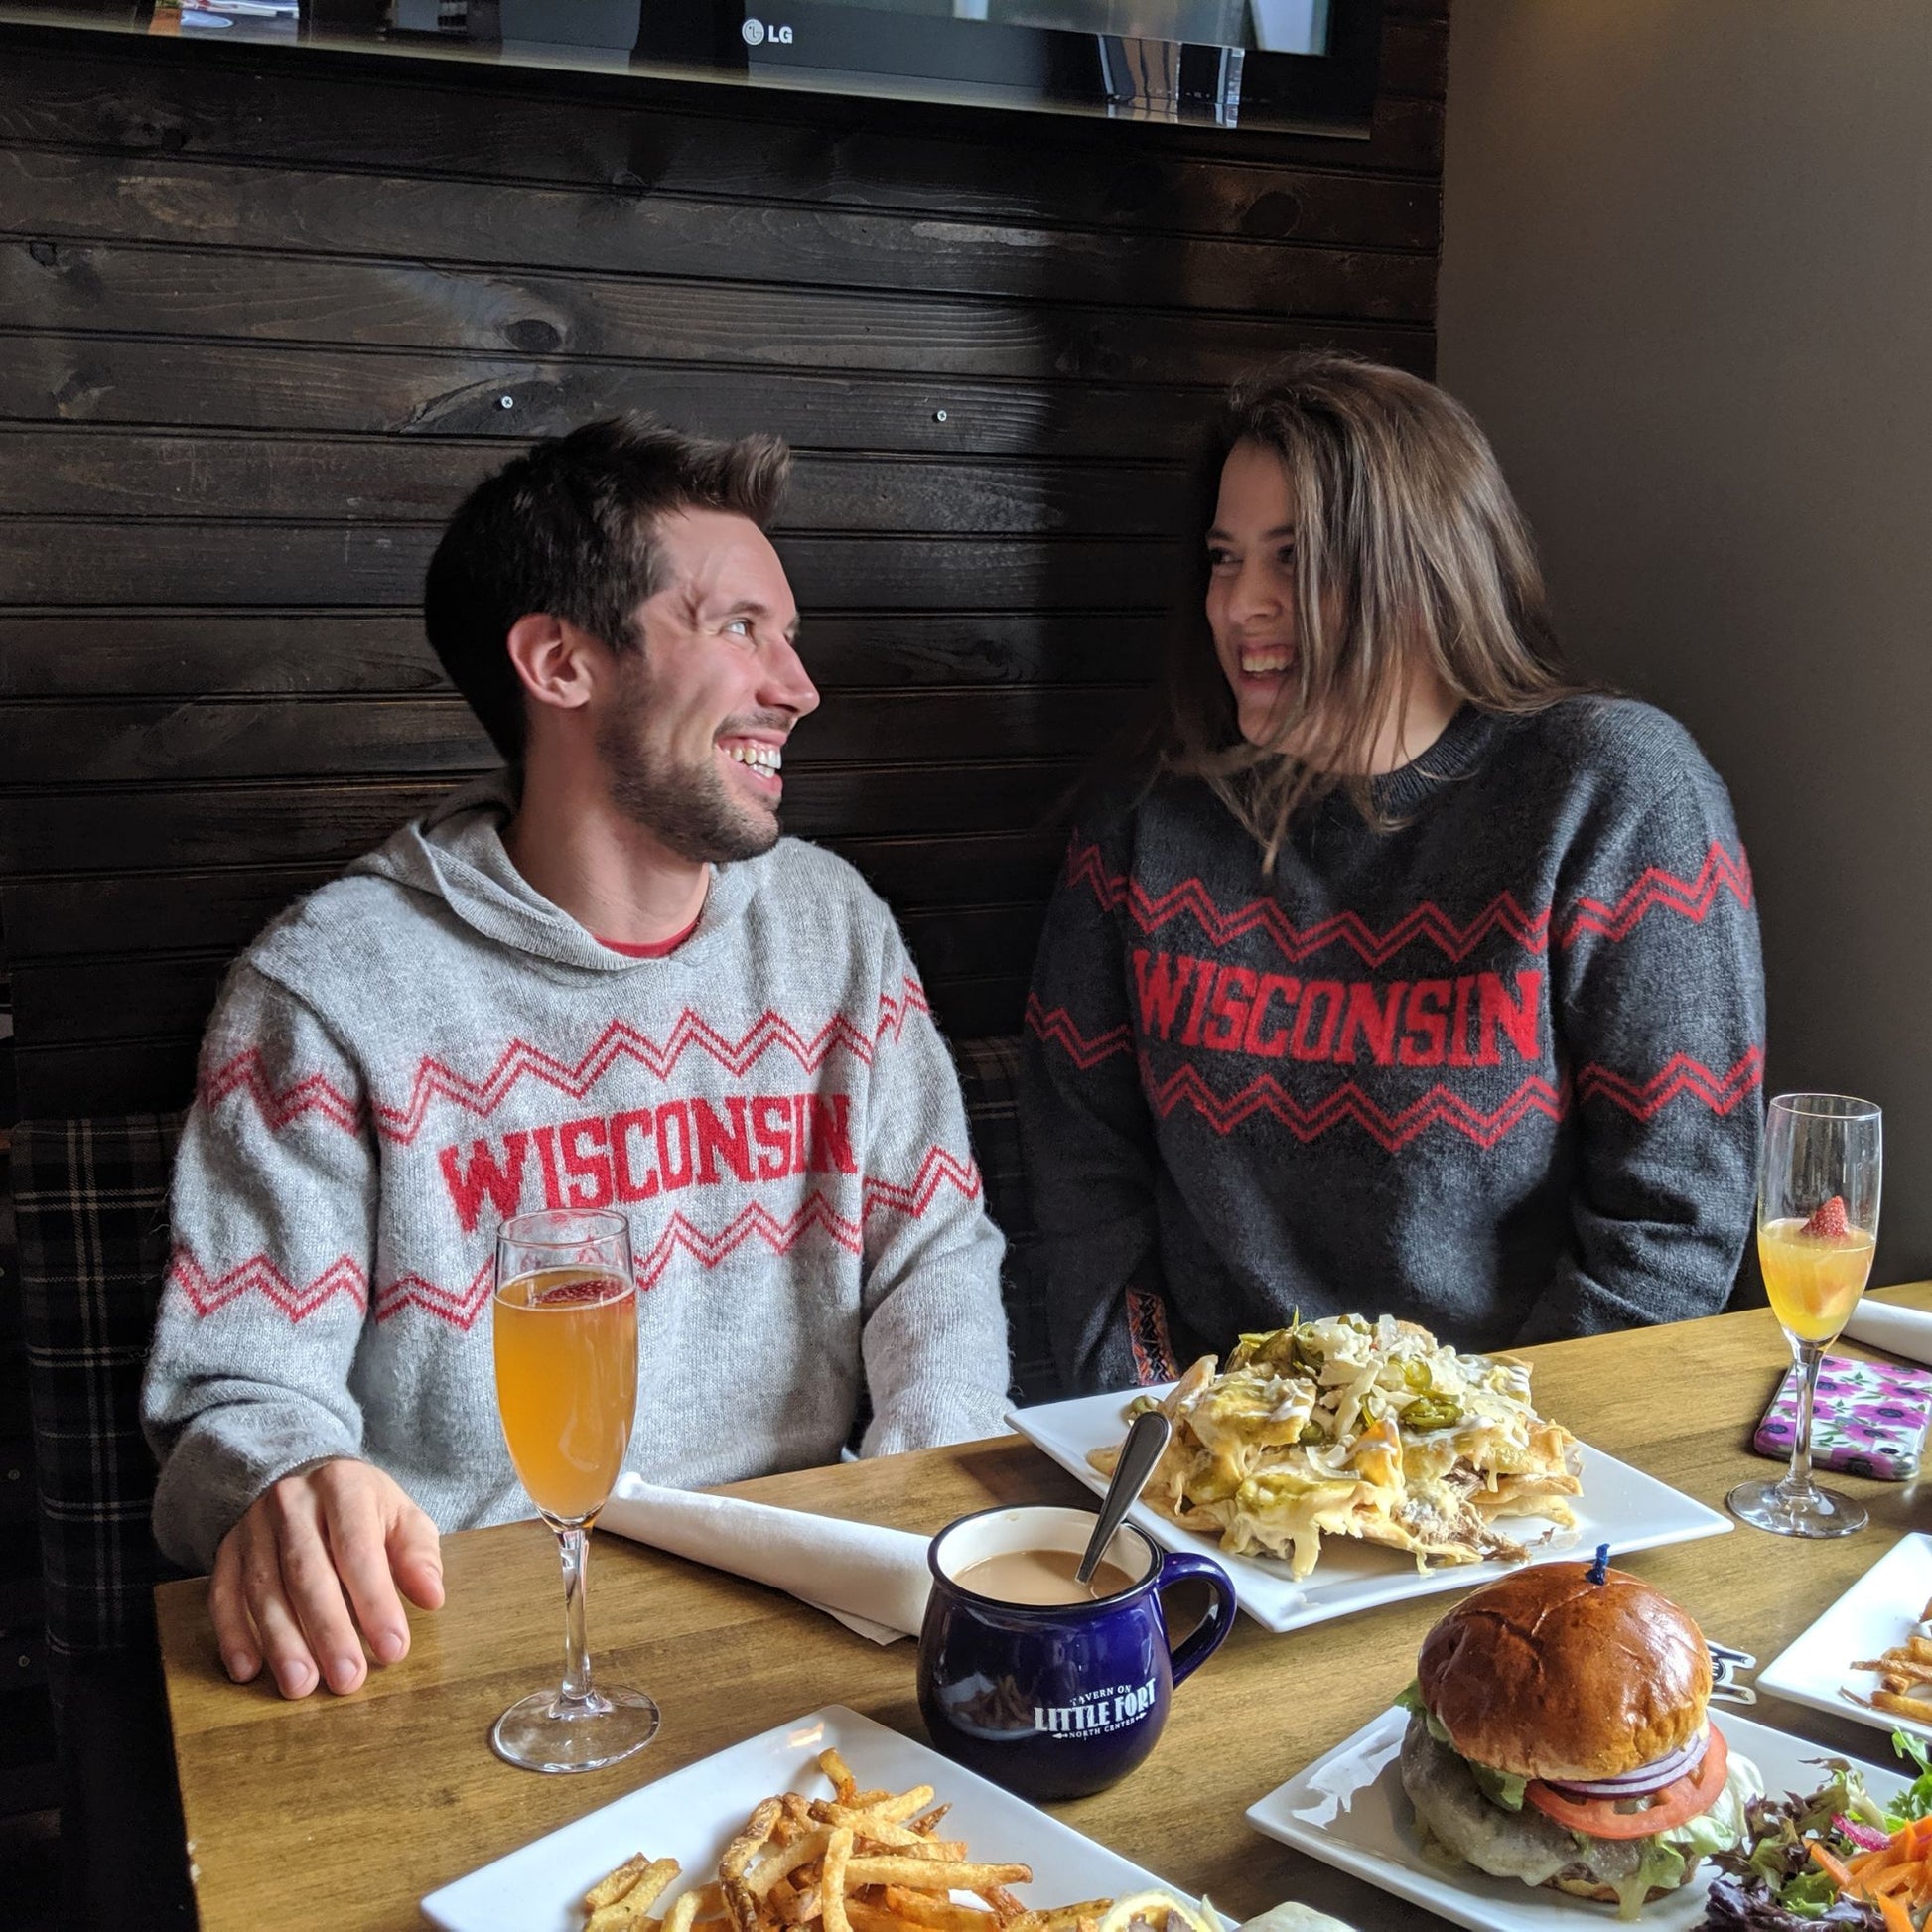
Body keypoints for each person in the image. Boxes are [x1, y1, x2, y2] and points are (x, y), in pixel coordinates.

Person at [141, 417, 1012, 1699]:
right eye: (738, 629)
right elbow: (237, 1392)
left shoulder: (837, 932)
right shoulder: (329, 991)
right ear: (559, 662)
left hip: (817, 1629)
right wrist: (287, 1486)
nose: (797, 684)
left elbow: (933, 1257)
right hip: (477, 1656)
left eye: (789, 634)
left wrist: (926, 1535)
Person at [1020, 354, 1764, 1393]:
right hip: (1206, 1452)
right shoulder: (1148, 818)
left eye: (1294, 559)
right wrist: (1145, 1421)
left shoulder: (1611, 790)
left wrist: (1477, 1464)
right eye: (1224, 558)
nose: (1240, 605)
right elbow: (1080, 1164)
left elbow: (1672, 1214)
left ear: (1421, 570)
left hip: (1512, 1465)